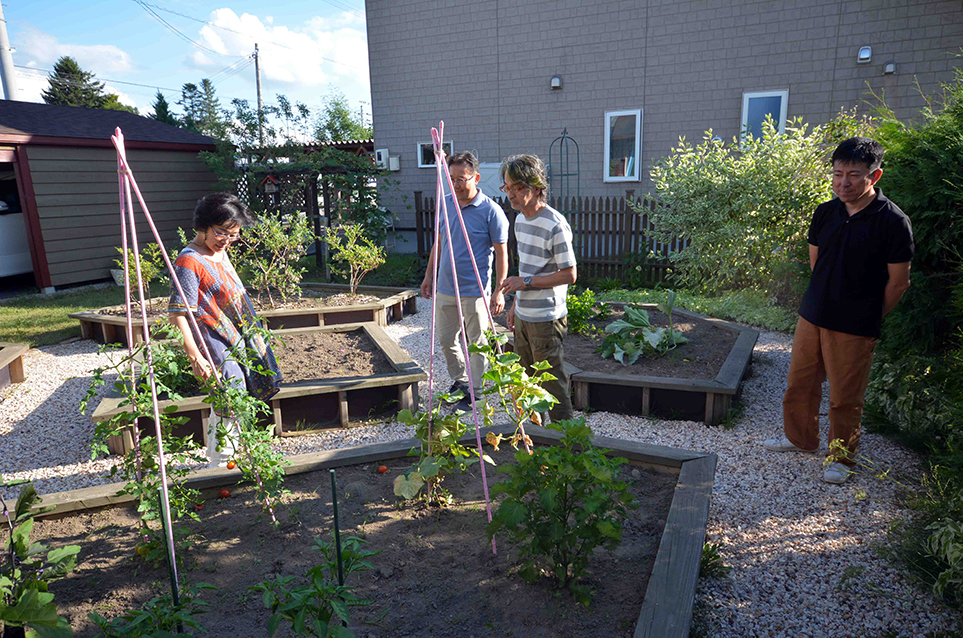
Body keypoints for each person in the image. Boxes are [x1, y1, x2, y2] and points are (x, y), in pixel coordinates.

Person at [763, 137, 913, 484]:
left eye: (854, 174)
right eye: (837, 173)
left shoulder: (892, 221)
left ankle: (841, 459)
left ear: (874, 176)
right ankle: (800, 438)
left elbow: (899, 282)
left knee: (845, 397)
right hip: (812, 314)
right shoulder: (825, 212)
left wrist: (870, 315)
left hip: (855, 323)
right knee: (799, 383)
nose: (843, 182)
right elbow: (818, 263)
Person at [169, 193, 282, 467]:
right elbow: (177, 315)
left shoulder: (219, 252)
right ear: (203, 226)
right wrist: (195, 356)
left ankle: (231, 454)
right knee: (229, 392)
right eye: (222, 233)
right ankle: (220, 462)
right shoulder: (189, 261)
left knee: (238, 392)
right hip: (212, 338)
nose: (228, 240)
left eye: (234, 235)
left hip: (234, 335)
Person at [420, 152, 509, 411]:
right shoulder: (445, 204)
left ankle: (477, 393)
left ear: (476, 178)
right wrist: (428, 276)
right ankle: (461, 382)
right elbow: (439, 243)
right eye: (452, 179)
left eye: (462, 179)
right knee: (447, 340)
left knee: (477, 344)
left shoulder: (491, 211)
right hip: (446, 287)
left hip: (475, 290)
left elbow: (502, 253)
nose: (457, 185)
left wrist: (499, 291)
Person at [497, 154, 577, 423]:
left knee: (552, 386)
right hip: (524, 316)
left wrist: (525, 283)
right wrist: (516, 305)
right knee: (526, 385)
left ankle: (568, 447)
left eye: (517, 187)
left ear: (536, 186)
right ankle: (534, 445)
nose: (511, 194)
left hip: (546, 319)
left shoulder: (555, 223)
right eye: (507, 187)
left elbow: (570, 274)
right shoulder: (520, 220)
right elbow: (529, 268)